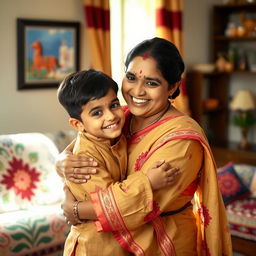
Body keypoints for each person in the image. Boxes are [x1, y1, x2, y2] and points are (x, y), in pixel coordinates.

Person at [56, 38, 232, 255]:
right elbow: (85, 145)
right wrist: (61, 161)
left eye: (151, 83)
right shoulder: (122, 116)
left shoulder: (182, 141)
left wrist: (75, 209)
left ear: (173, 87)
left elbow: (135, 207)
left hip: (162, 242)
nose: (137, 91)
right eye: (131, 78)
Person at [57, 68, 179, 256]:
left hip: (114, 245)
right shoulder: (84, 162)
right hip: (94, 247)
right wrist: (148, 181)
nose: (111, 116)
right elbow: (114, 205)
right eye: (97, 113)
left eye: (114, 105)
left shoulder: (115, 131)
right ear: (78, 124)